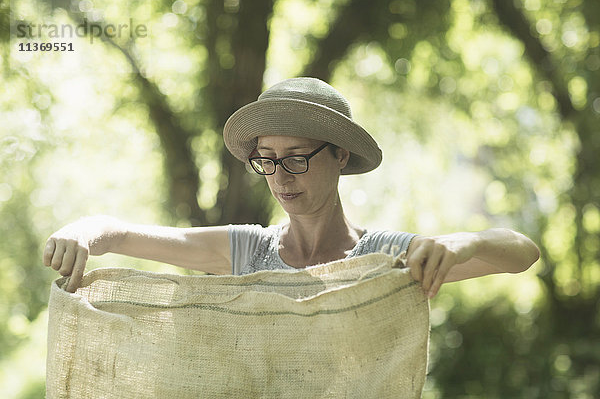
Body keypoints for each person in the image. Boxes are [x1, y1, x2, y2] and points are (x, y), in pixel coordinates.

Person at [43, 77, 540, 296]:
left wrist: (461, 243)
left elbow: (522, 252)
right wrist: (87, 230)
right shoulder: (247, 250)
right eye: (266, 161)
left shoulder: (392, 260)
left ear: (340, 154)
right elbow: (123, 235)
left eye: (297, 158)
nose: (280, 177)